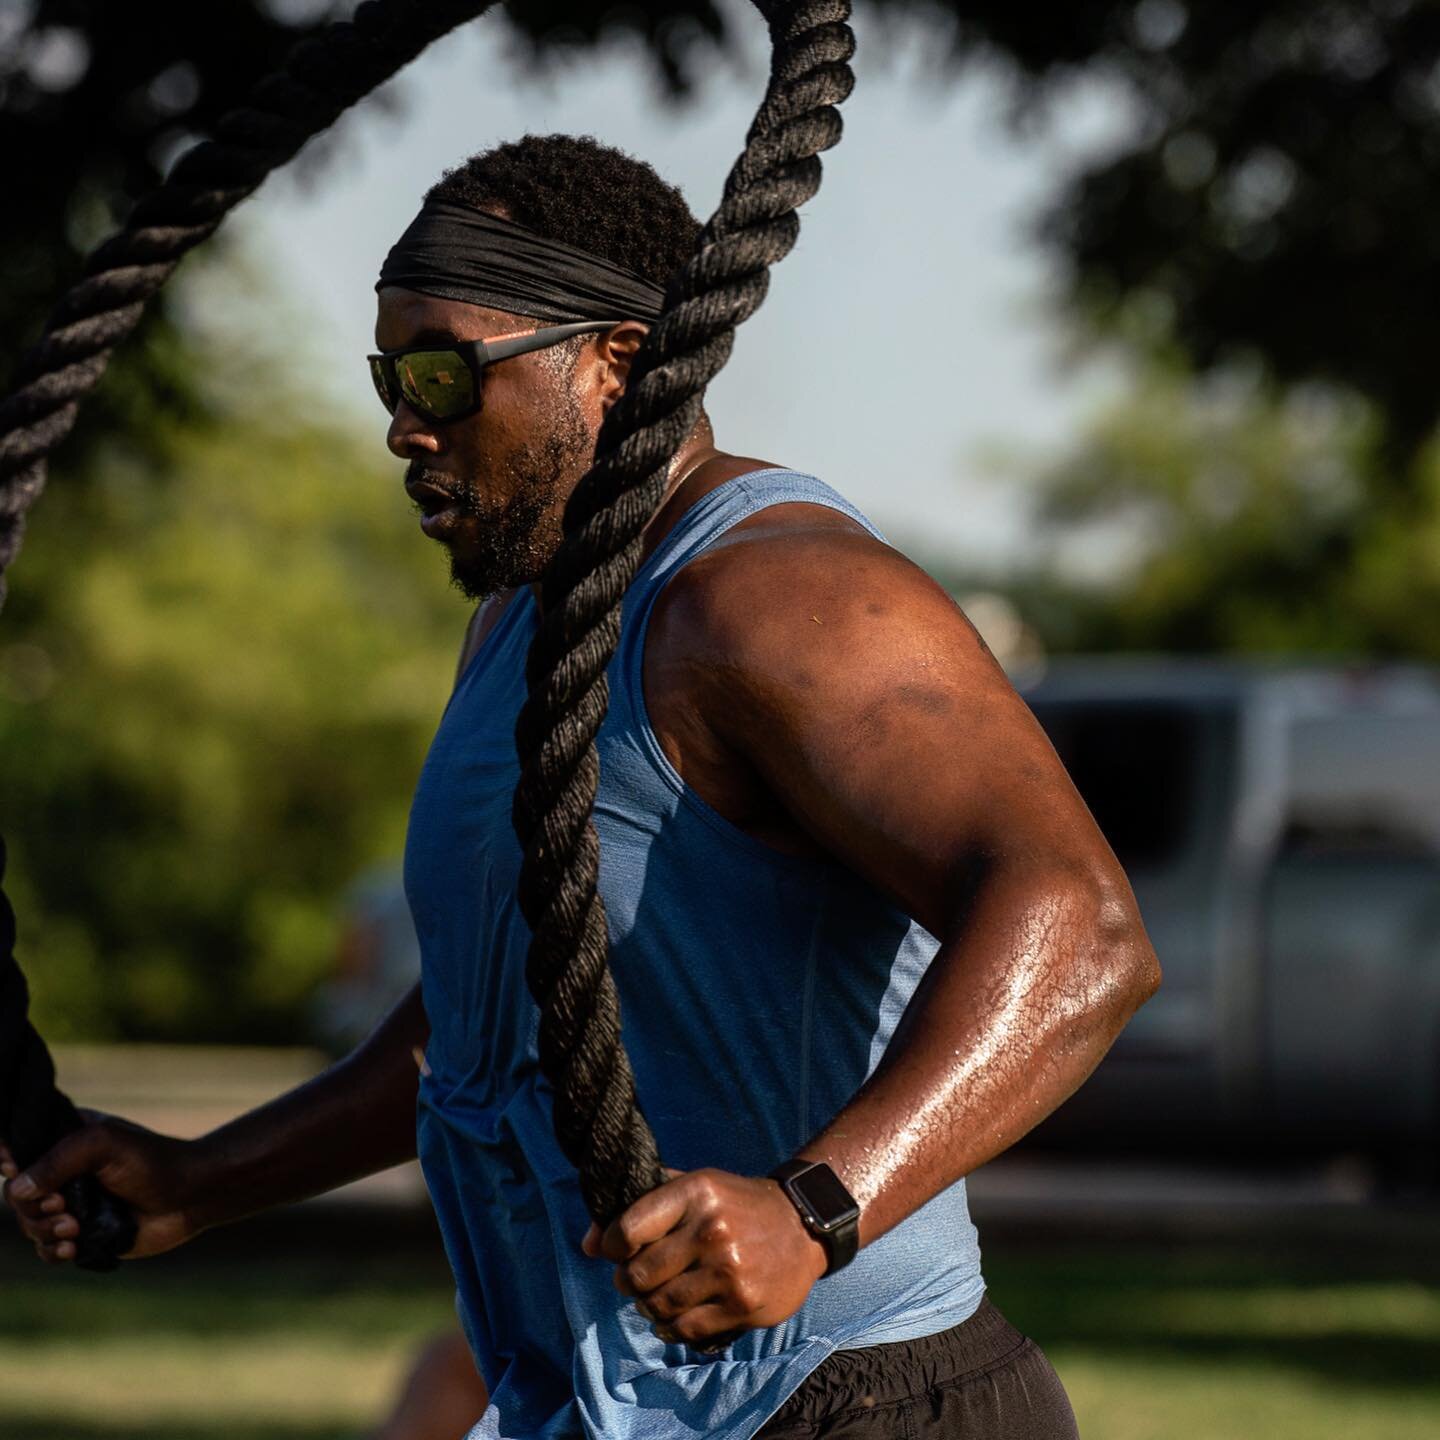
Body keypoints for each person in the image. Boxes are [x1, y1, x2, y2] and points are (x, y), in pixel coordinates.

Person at [2, 134, 1160, 1440]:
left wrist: (816, 1209)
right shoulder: (517, 622)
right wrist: (206, 1179)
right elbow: (488, 1027)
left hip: (857, 1403)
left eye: (444, 370)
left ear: (615, 362)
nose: (402, 422)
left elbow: (1081, 928)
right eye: (389, 374)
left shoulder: (777, 598)